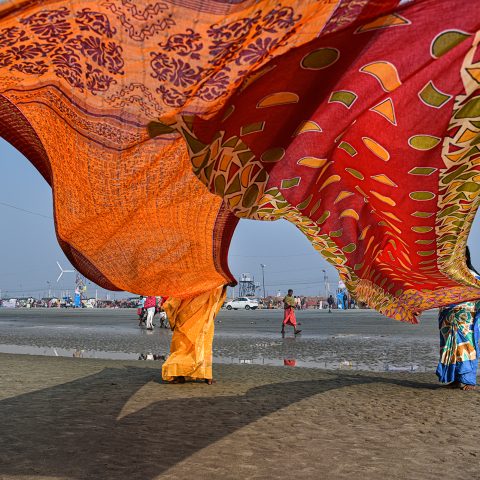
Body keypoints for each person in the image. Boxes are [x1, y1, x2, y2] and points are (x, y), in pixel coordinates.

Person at [436, 246, 480, 391]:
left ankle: (469, 380)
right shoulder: (446, 277)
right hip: (447, 319)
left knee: (466, 348)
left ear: (466, 258)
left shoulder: (473, 277)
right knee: (450, 349)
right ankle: (455, 380)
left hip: (465, 320)